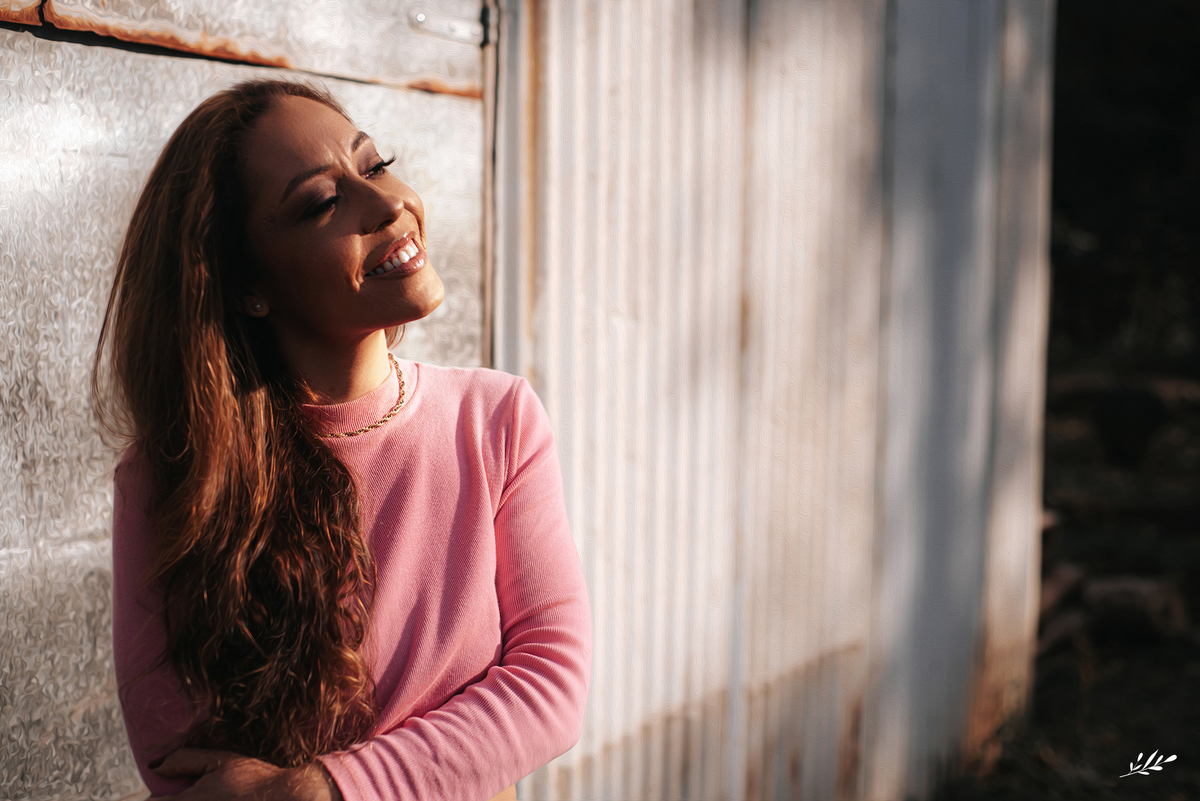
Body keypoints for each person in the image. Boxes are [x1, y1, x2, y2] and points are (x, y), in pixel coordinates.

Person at [92, 79, 592, 801]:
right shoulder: (170, 478)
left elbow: (551, 682)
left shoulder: (496, 420)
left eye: (377, 163)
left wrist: (325, 788)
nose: (389, 203)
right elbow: (184, 768)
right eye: (322, 202)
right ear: (248, 284)